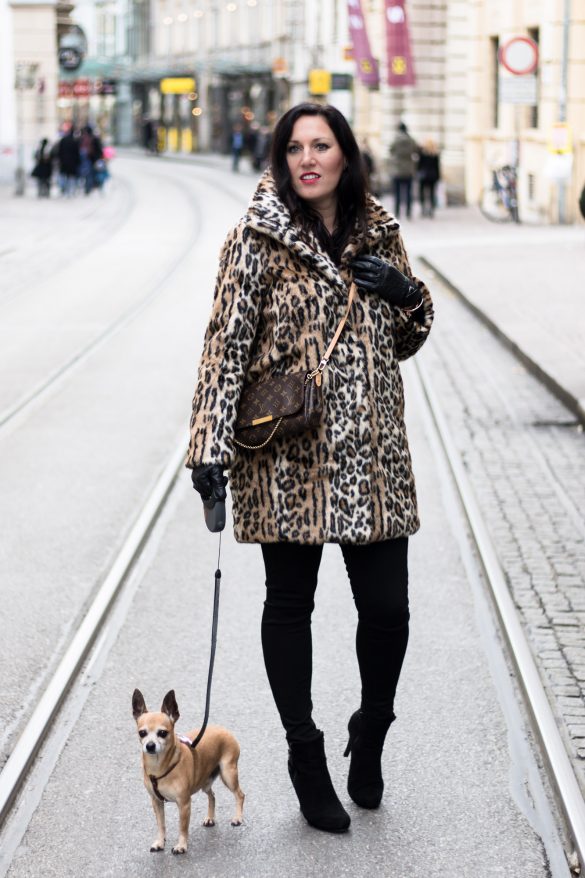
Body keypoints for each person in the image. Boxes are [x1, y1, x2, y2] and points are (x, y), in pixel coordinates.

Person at [187, 103, 434, 835]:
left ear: (345, 155)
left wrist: (402, 292)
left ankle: (373, 726)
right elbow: (222, 351)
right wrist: (207, 449)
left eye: (321, 145)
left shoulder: (382, 231)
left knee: (387, 611)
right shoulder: (253, 241)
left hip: (371, 458)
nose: (307, 158)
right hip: (287, 461)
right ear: (279, 158)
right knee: (289, 607)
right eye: (293, 147)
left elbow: (409, 336)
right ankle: (304, 754)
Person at [389, 122, 419, 219]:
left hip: (397, 170)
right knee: (408, 193)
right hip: (408, 170)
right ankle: (408, 213)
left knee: (397, 193)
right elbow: (416, 150)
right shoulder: (411, 140)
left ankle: (397, 212)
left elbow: (390, 150)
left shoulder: (395, 140)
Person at [417, 139, 441, 218]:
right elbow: (437, 167)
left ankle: (423, 209)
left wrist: (418, 173)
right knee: (432, 193)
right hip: (433, 176)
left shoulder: (422, 153)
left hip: (423, 176)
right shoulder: (435, 154)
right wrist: (438, 177)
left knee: (422, 193)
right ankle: (431, 210)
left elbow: (419, 165)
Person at [56, 126, 80, 196]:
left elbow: (59, 152)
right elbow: (77, 153)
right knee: (71, 177)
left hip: (64, 162)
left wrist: (60, 160)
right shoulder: (74, 141)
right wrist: (77, 161)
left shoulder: (63, 140)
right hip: (72, 163)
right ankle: (70, 191)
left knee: (64, 176)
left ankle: (64, 190)